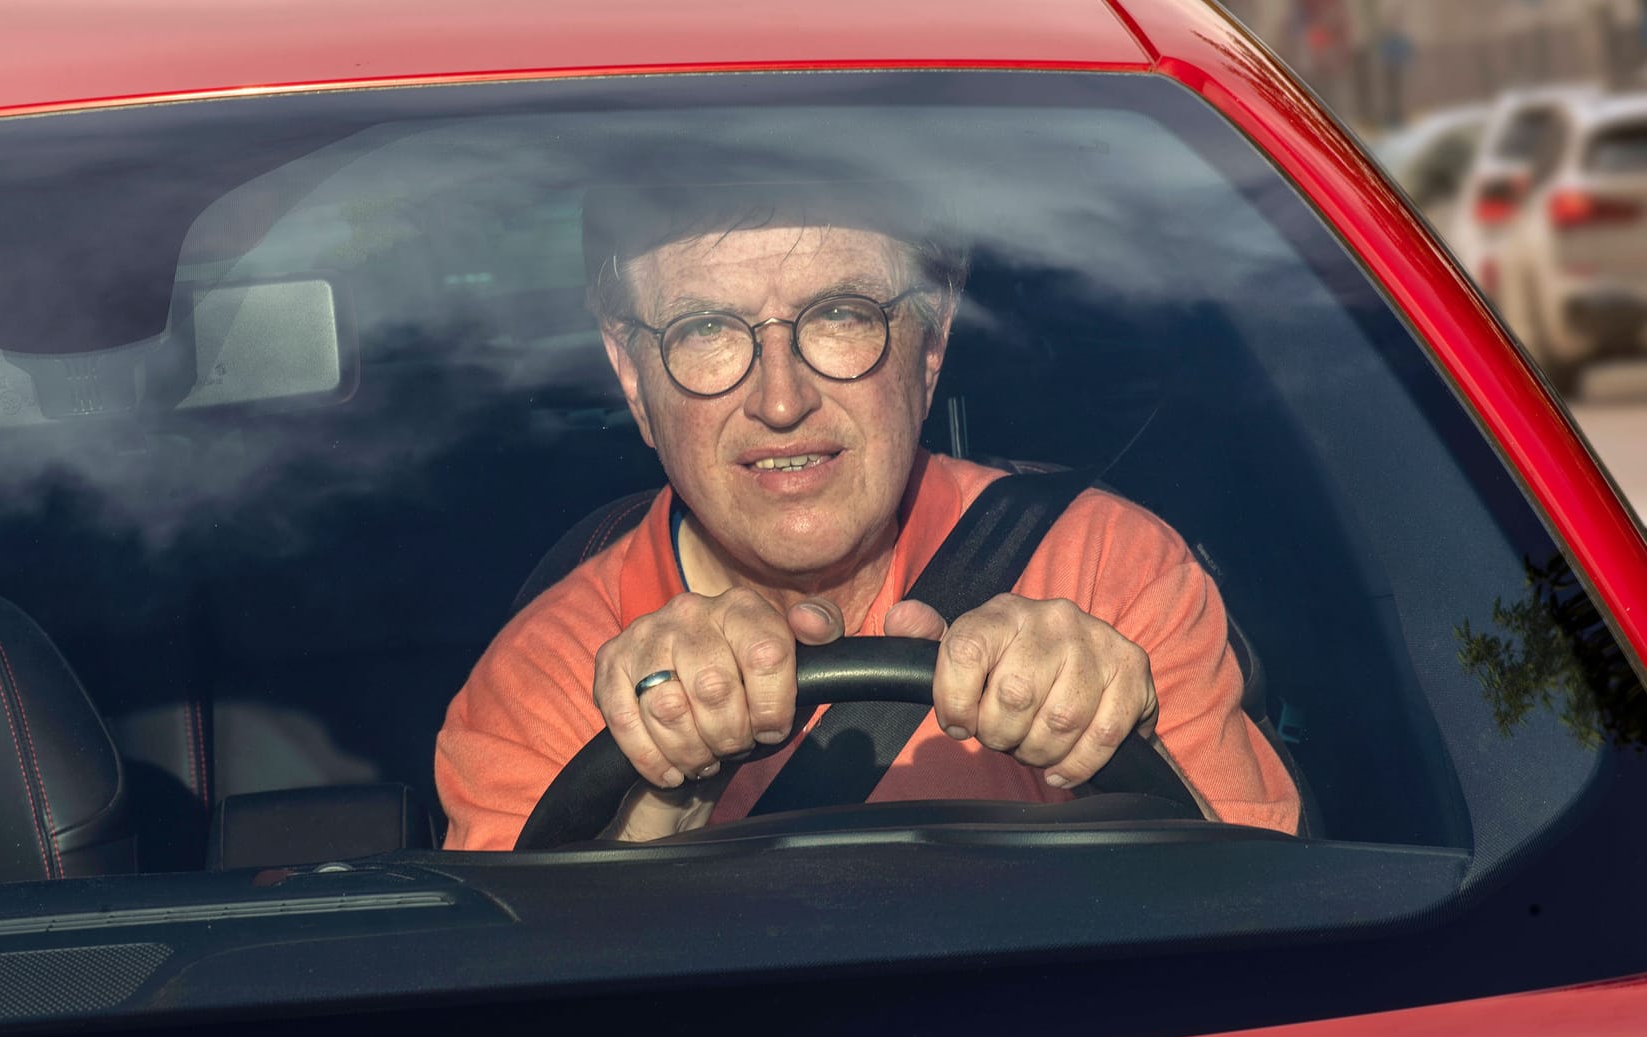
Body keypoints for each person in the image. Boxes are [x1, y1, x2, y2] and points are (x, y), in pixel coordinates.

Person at [435, 181, 1300, 849]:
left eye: (840, 316)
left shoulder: (1108, 573)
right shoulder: (545, 682)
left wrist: (1110, 758)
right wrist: (646, 815)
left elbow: (1271, 953)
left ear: (933, 342)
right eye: (706, 331)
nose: (781, 401)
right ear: (630, 373)